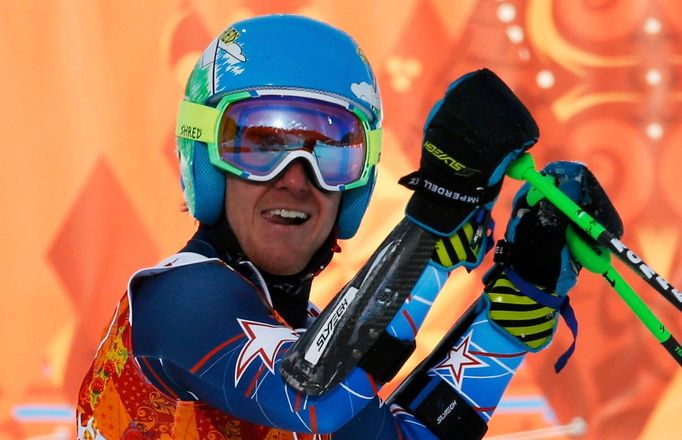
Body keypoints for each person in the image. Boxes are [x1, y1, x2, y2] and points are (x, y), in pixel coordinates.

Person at [76, 14, 623, 439]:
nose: (295, 180)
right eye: (261, 144)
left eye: (331, 151)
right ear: (205, 161)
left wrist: (511, 318)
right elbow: (311, 397)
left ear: (355, 185)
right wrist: (429, 236)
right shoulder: (178, 301)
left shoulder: (311, 339)